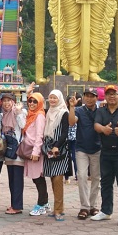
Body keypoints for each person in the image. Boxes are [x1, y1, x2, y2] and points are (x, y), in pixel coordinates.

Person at [92, 85, 118, 225]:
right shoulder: (101, 110)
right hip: (106, 151)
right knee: (106, 183)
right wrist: (103, 129)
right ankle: (106, 211)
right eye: (108, 94)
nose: (111, 96)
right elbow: (96, 125)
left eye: (114, 94)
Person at [68, 87, 101, 220]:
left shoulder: (101, 111)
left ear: (96, 98)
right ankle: (84, 206)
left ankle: (93, 205)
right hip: (81, 148)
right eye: (86, 95)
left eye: (92, 96)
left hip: (97, 149)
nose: (88, 98)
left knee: (96, 178)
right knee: (81, 175)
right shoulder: (79, 110)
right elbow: (71, 122)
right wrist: (71, 107)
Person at [42, 89, 70, 221]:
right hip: (49, 149)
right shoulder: (48, 113)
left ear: (59, 99)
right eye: (51, 97)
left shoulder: (64, 112)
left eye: (55, 98)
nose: (52, 100)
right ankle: (58, 208)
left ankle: (58, 210)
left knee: (58, 179)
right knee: (53, 179)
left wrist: (57, 146)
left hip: (59, 149)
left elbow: (65, 132)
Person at [0, 92, 26, 215]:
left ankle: (17, 206)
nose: (6, 103)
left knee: (17, 180)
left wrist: (19, 113)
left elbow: (23, 126)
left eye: (9, 100)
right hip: (9, 151)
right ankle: (14, 204)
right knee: (12, 180)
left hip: (18, 150)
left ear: (13, 102)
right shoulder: (3, 115)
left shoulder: (19, 112)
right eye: (4, 101)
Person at [23, 89, 48, 216]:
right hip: (30, 150)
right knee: (37, 178)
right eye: (30, 101)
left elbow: (39, 135)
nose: (31, 103)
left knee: (38, 178)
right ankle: (45, 202)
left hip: (34, 151)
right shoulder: (31, 114)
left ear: (40, 103)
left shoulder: (39, 115)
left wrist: (36, 152)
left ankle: (41, 204)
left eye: (34, 101)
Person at [64, 94, 81, 185]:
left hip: (74, 137)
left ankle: (77, 176)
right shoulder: (64, 111)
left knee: (75, 157)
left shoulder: (77, 111)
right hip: (66, 138)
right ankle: (67, 177)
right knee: (67, 158)